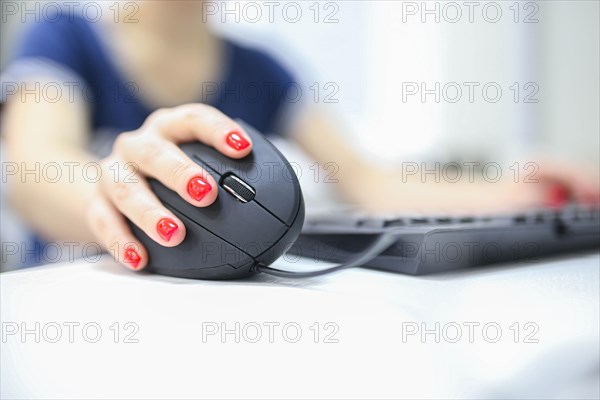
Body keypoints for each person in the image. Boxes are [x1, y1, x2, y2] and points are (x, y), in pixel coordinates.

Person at [3, 2, 598, 270]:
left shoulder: (262, 69)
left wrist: (514, 192)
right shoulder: (62, 35)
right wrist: (119, 187)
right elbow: (35, 171)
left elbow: (367, 179)